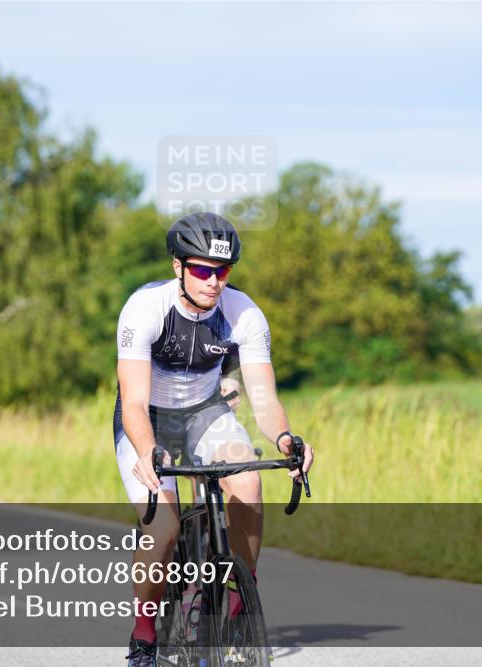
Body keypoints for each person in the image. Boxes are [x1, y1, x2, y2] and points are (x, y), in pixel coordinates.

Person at [113, 211, 315, 666]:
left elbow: (263, 398)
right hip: (150, 416)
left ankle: (238, 595)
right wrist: (148, 452)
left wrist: (285, 438)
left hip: (206, 410)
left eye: (222, 270)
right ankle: (144, 636)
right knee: (162, 529)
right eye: (202, 269)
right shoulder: (144, 309)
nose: (213, 281)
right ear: (178, 267)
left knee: (248, 482)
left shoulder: (244, 313)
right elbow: (135, 404)